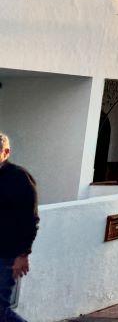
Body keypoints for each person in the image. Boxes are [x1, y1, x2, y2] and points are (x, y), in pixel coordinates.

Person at [0, 133, 38, 322]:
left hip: (6, 254)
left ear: (5, 152)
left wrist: (23, 255)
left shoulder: (18, 177)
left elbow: (30, 219)